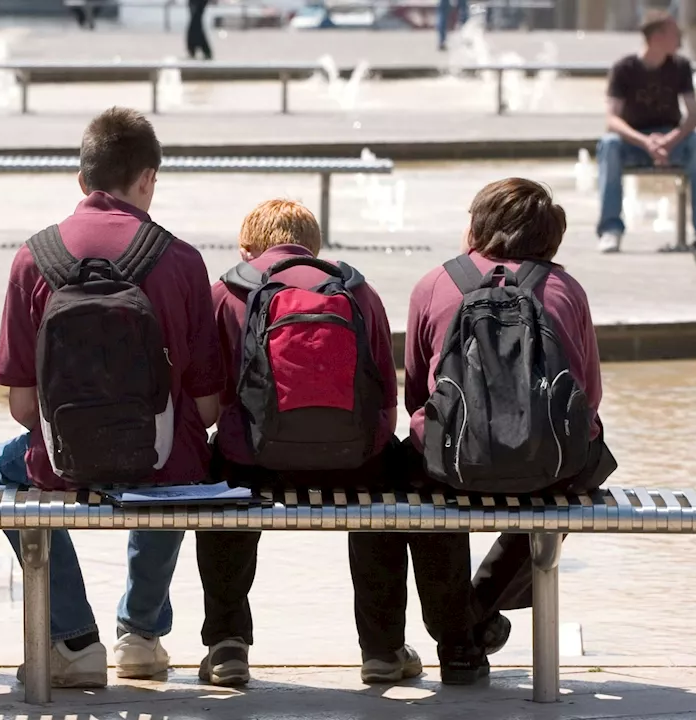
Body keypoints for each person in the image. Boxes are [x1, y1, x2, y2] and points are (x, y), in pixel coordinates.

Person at [198, 198, 485, 687]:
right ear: (314, 248)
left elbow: (209, 390)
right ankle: (382, 650)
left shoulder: (227, 291)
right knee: (390, 486)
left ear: (248, 249)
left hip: (254, 464)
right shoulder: (357, 290)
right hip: (352, 464)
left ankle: (228, 645)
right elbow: (385, 399)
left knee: (219, 474)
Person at [0, 107, 224, 686]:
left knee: (1, 471)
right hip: (162, 466)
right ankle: (141, 637)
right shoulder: (181, 260)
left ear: (82, 180)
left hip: (60, 465)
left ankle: (73, 641)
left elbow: (23, 408)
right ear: (148, 178)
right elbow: (207, 407)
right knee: (180, 455)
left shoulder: (32, 258)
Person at [405, 178, 616, 661]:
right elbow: (589, 397)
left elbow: (417, 396)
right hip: (550, 470)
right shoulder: (564, 288)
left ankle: (456, 632)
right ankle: (479, 607)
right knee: (582, 470)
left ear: (478, 225)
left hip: (453, 467)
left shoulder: (435, 283)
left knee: (415, 476)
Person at [596, 10, 696, 254]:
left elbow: (692, 116)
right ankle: (611, 229)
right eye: (675, 33)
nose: (680, 39)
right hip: (634, 141)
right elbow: (613, 120)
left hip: (671, 138)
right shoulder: (624, 68)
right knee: (608, 144)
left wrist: (670, 140)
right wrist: (645, 142)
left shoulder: (681, 66)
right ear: (657, 37)